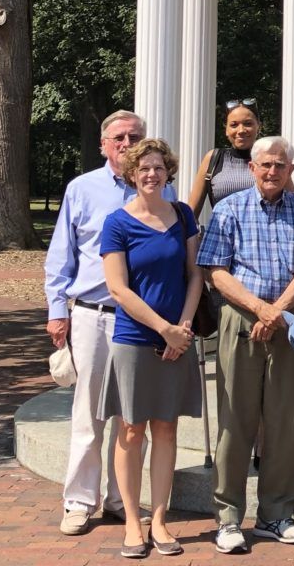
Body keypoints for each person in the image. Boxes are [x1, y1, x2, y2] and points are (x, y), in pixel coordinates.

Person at [195, 136, 294, 554]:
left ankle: (276, 514)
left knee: (284, 420)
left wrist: (278, 311)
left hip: (288, 322)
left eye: (280, 166)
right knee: (236, 420)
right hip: (240, 320)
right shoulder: (230, 208)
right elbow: (215, 269)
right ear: (252, 168)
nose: (272, 172)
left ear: (291, 170)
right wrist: (258, 308)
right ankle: (228, 517)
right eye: (265, 165)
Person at [44, 109, 164, 536]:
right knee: (89, 411)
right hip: (93, 314)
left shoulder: (157, 191)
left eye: (135, 137)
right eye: (119, 138)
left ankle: (120, 500)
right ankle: (79, 501)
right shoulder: (83, 189)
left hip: (143, 320)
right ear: (103, 144)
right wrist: (57, 310)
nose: (127, 144)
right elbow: (63, 254)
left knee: (133, 416)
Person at [98, 139, 203, 558]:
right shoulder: (117, 223)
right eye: (143, 168)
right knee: (131, 429)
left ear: (168, 172)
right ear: (131, 173)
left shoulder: (182, 214)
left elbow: (195, 275)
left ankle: (160, 520)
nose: (151, 174)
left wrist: (184, 327)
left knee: (166, 427)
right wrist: (164, 329)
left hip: (179, 336)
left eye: (158, 167)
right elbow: (117, 288)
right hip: (135, 339)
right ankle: (132, 521)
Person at [186, 99, 292, 216]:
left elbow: (292, 205)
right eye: (234, 125)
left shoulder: (273, 160)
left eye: (248, 123)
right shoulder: (213, 158)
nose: (241, 130)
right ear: (226, 130)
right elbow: (191, 212)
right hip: (223, 232)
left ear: (259, 127)